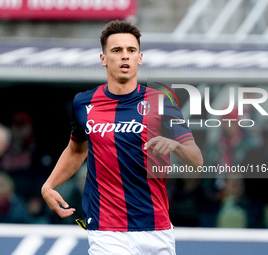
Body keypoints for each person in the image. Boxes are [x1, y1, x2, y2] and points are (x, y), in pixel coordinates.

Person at [41, 20, 203, 255]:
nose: (124, 56)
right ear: (103, 59)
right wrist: (49, 185)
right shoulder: (83, 103)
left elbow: (196, 161)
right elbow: (77, 150)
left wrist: (176, 145)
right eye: (117, 50)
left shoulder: (161, 101)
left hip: (156, 229)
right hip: (107, 232)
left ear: (140, 57)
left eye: (131, 50)